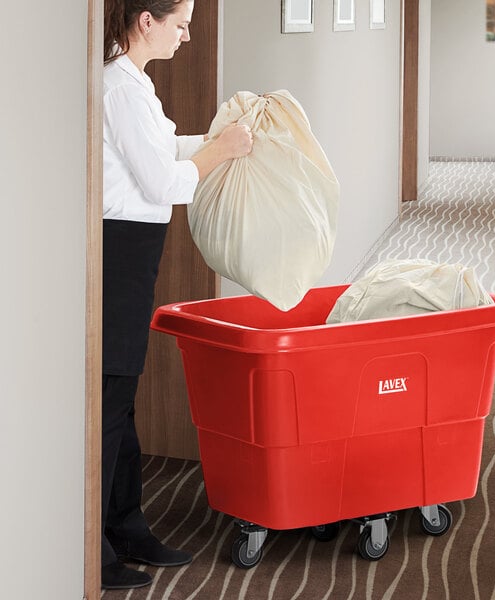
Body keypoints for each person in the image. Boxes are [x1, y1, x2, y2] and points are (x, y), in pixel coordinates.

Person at [102, 0, 253, 590]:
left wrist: (223, 140)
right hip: (118, 253)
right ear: (147, 21)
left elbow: (163, 153)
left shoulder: (134, 82)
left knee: (124, 395)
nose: (187, 37)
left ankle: (127, 526)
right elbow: (163, 183)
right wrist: (221, 153)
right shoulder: (118, 86)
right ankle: (98, 546)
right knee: (111, 399)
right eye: (182, 25)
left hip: (135, 251)